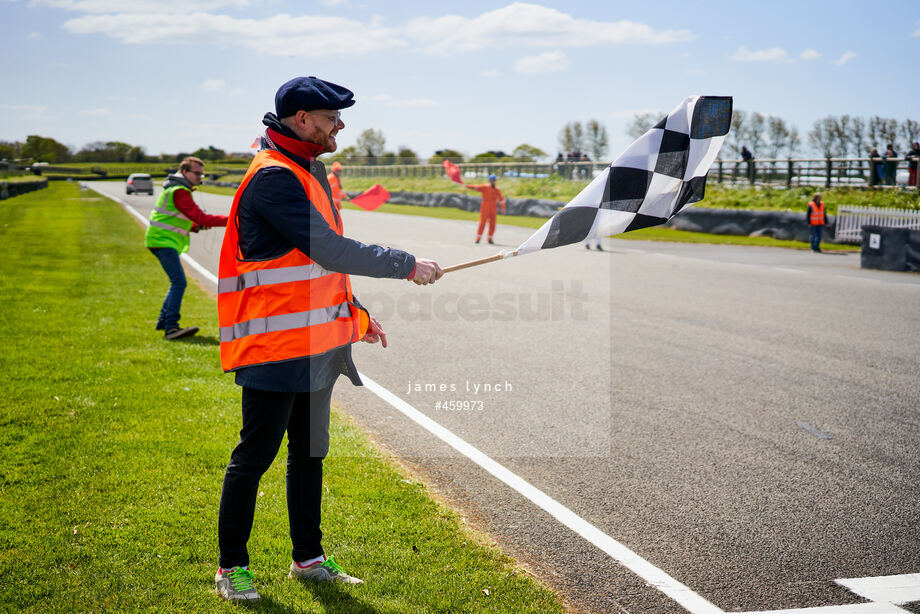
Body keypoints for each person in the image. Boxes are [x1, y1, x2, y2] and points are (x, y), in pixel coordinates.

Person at [214, 76, 443, 603]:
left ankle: (309, 558)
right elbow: (331, 248)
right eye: (331, 117)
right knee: (255, 457)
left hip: (317, 344)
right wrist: (407, 266)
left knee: (310, 453)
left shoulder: (306, 170)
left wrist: (356, 309)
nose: (340, 125)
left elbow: (315, 264)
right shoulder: (274, 178)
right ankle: (232, 568)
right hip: (274, 348)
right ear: (301, 120)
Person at [144, 156, 227, 339]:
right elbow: (201, 218)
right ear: (184, 172)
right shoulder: (180, 191)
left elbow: (174, 218)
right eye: (196, 173)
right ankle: (171, 327)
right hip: (163, 241)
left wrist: (195, 226)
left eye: (201, 173)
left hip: (161, 240)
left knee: (177, 282)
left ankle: (163, 321)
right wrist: (233, 218)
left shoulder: (173, 189)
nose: (200, 177)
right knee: (179, 282)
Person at [465, 173, 506, 244]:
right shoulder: (485, 187)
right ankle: (478, 237)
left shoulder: (497, 189)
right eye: (491, 180)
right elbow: (476, 187)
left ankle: (490, 238)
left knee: (492, 224)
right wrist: (469, 186)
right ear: (489, 180)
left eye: (494, 180)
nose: (492, 181)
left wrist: (503, 208)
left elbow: (501, 199)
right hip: (485, 207)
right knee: (482, 222)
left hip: (493, 208)